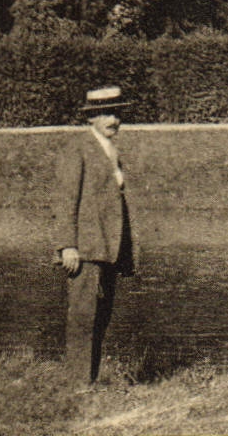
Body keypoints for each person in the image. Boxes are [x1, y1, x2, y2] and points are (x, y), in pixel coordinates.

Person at [53, 84, 136, 385]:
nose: (113, 120)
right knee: (83, 317)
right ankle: (78, 386)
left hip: (109, 249)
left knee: (101, 316)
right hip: (86, 250)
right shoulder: (78, 149)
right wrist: (67, 246)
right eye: (105, 115)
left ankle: (89, 381)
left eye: (116, 113)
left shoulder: (112, 150)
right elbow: (65, 199)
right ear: (91, 118)